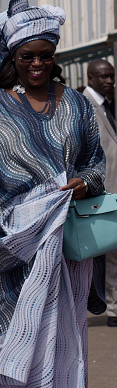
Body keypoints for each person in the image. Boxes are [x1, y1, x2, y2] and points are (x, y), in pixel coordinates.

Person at [0, 1, 106, 388]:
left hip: (64, 256)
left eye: (45, 55)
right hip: (3, 261)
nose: (37, 64)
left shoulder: (76, 105)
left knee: (63, 352)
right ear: (12, 56)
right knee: (12, 353)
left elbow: (95, 162)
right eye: (27, 56)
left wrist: (84, 183)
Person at [83, 59, 117, 327]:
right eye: (104, 77)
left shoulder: (109, 104)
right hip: (100, 192)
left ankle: (112, 305)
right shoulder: (85, 106)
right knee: (105, 252)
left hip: (112, 190)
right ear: (90, 77)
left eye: (112, 76)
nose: (109, 81)